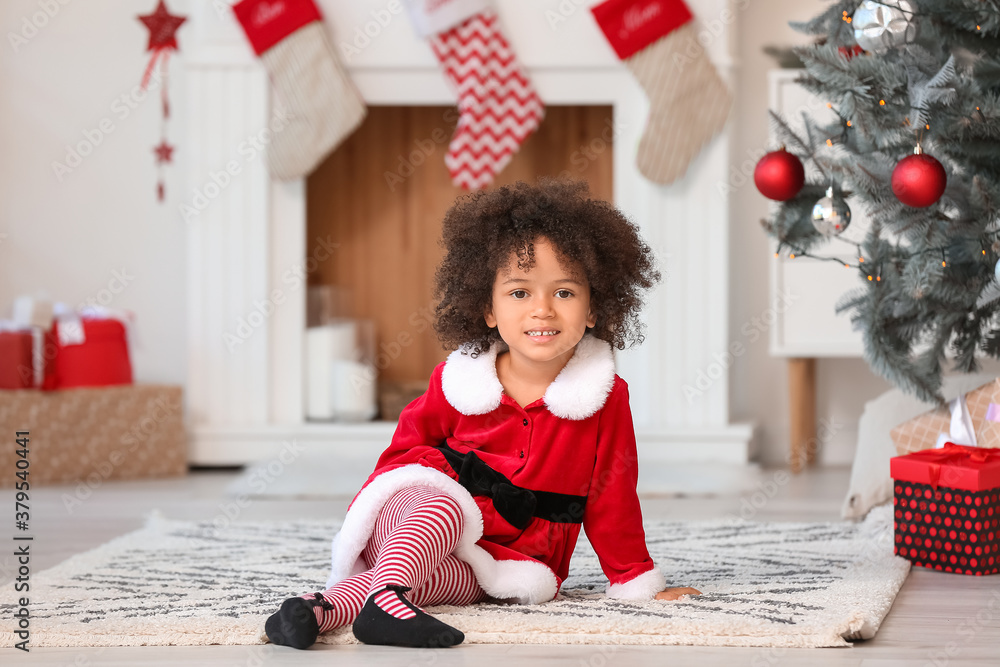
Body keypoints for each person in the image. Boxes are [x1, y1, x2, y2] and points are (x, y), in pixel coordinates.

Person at [265, 179, 701, 650]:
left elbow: (611, 494)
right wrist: (429, 494)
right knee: (442, 505)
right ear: (487, 309)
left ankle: (318, 611)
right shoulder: (457, 381)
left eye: (565, 293)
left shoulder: (606, 398)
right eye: (519, 293)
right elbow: (401, 458)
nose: (542, 309)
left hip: (507, 557)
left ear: (594, 308)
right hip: (415, 519)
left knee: (447, 584)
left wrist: (635, 580)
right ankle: (389, 591)